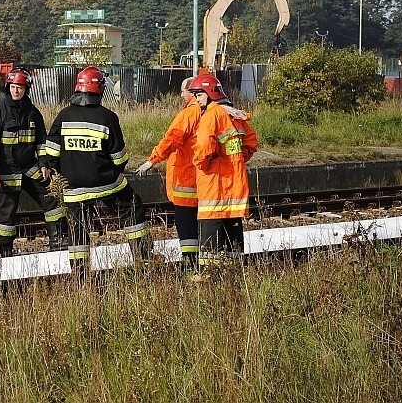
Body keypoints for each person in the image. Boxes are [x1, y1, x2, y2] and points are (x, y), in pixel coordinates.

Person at [46, 66, 151, 274]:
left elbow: (51, 152)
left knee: (78, 229)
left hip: (73, 188)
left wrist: (60, 173)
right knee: (132, 206)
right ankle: (143, 259)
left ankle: (80, 274)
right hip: (106, 184)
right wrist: (115, 170)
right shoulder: (107, 117)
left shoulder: (63, 116)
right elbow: (119, 157)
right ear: (100, 89)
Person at [0, 68, 66, 257]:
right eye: (13, 87)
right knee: (6, 214)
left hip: (30, 168)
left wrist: (44, 164)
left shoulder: (33, 113)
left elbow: (41, 141)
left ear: (26, 89)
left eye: (20, 87)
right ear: (8, 87)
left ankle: (58, 242)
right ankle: (5, 252)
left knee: (52, 200)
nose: (16, 91)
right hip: (6, 170)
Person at [188, 74, 257, 268]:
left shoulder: (212, 115)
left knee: (210, 243)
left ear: (210, 94)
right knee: (232, 239)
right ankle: (233, 277)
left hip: (214, 187)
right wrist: (234, 161)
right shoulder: (235, 115)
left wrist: (200, 164)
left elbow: (203, 148)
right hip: (234, 187)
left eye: (199, 94)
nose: (197, 99)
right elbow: (250, 144)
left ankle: (210, 279)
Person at [135, 77, 202, 269]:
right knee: (204, 224)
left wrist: (152, 160)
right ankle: (203, 263)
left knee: (186, 223)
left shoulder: (190, 113)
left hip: (187, 179)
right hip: (206, 180)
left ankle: (190, 265)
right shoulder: (214, 111)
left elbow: (172, 138)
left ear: (192, 91)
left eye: (183, 91)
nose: (181, 95)